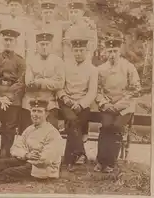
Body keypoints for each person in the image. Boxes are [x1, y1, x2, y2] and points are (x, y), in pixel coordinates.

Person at [95, 37, 141, 173]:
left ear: (119, 51)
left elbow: (136, 89)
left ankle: (110, 163)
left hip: (125, 107)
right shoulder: (101, 69)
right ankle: (100, 161)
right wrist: (104, 103)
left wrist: (120, 104)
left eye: (115, 51)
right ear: (105, 52)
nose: (112, 55)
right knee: (105, 127)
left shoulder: (128, 67)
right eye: (109, 51)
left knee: (116, 127)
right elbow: (96, 90)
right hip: (108, 106)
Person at [57, 39, 98, 171]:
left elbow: (92, 92)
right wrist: (66, 99)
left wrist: (80, 104)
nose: (78, 53)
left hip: (83, 104)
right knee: (72, 120)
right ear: (72, 51)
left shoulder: (92, 69)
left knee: (73, 125)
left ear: (86, 51)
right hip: (66, 102)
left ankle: (69, 159)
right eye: (76, 50)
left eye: (81, 50)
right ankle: (80, 153)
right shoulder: (65, 66)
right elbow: (59, 87)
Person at [0, 29, 26, 158]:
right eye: (6, 40)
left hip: (12, 97)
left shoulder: (20, 61)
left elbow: (21, 82)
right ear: (3, 41)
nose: (8, 42)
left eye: (11, 40)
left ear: (15, 42)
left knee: (10, 125)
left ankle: (5, 152)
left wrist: (7, 97)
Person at [20, 32, 65, 133]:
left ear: (51, 46)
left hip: (49, 102)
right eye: (42, 44)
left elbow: (60, 83)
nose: (44, 47)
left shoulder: (58, 61)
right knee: (27, 132)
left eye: (47, 44)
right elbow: (29, 83)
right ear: (37, 45)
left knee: (52, 131)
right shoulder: (30, 60)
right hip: (31, 102)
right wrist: (50, 81)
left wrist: (40, 81)